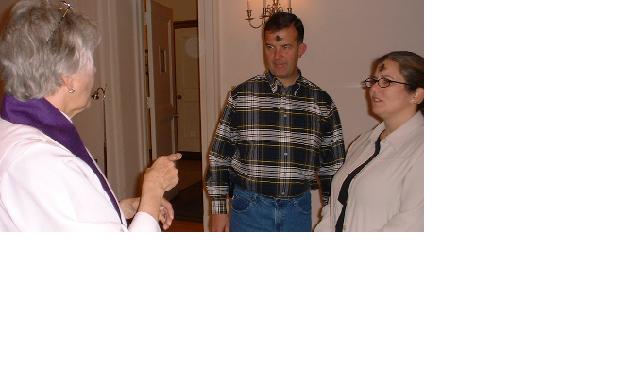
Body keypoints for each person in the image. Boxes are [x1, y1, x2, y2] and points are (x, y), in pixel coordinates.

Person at [0, 0, 180, 232]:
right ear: (68, 79)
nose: (94, 70)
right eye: (89, 61)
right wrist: (153, 189)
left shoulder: (18, 126)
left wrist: (121, 209)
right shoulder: (39, 161)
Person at [206, 12, 345, 232]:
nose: (277, 56)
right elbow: (219, 156)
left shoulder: (321, 102)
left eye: (286, 47)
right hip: (248, 208)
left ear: (301, 49)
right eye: (269, 47)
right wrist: (218, 209)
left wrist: (332, 214)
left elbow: (333, 167)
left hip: (297, 210)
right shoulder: (241, 96)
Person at [315, 51, 424, 232]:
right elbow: (334, 208)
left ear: (416, 95)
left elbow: (411, 224)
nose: (373, 89)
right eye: (374, 81)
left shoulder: (423, 148)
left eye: (386, 81)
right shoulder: (362, 143)